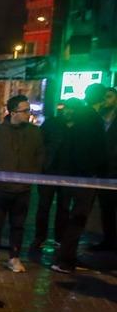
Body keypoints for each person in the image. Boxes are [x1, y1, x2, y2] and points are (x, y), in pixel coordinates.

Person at [0, 95, 44, 273]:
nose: (28, 113)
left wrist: (32, 174)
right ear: (13, 112)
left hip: (23, 189)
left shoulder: (34, 132)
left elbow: (40, 156)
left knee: (18, 225)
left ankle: (14, 257)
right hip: (0, 188)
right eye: (25, 110)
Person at [53, 84, 109, 273]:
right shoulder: (91, 119)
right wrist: (92, 171)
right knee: (78, 217)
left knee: (75, 217)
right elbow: (87, 150)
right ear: (101, 99)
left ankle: (67, 257)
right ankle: (65, 260)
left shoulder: (82, 117)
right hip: (83, 177)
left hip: (77, 174)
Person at [31, 101, 77, 252]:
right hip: (49, 171)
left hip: (68, 173)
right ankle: (40, 237)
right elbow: (40, 143)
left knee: (64, 207)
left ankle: (59, 237)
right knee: (44, 206)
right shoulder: (53, 123)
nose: (68, 111)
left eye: (71, 109)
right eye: (67, 108)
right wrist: (41, 164)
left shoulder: (79, 126)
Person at [87, 87, 117, 252]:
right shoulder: (97, 119)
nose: (106, 100)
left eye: (110, 97)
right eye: (104, 97)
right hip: (104, 171)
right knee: (107, 209)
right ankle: (109, 239)